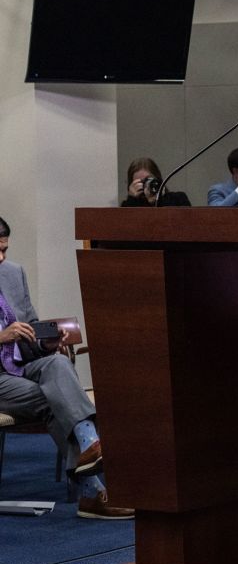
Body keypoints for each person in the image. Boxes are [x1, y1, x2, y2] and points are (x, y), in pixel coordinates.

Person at [0, 217, 131, 519]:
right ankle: (92, 491)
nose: (3, 258)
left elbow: (30, 330)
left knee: (58, 362)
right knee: (54, 397)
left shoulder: (13, 274)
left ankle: (90, 446)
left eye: (5, 250)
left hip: (22, 367)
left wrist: (45, 342)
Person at [120, 157, 191, 208]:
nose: (146, 186)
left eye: (148, 180)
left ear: (157, 178)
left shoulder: (178, 199)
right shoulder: (129, 205)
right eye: (140, 182)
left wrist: (161, 199)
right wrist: (132, 199)